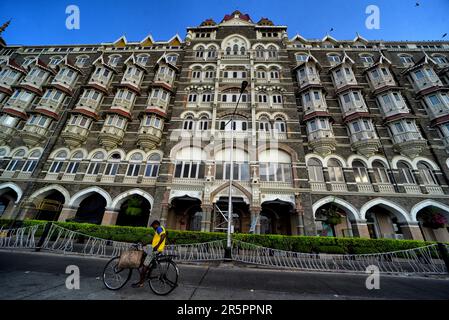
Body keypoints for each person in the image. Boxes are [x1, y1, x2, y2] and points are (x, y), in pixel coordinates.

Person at [132, 220, 167, 288]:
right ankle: (152, 264)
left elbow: (163, 236)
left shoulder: (159, 228)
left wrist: (157, 246)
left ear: (156, 225)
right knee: (145, 251)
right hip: (156, 249)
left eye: (153, 226)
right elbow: (154, 240)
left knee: (145, 266)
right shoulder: (159, 229)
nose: (153, 228)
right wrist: (146, 243)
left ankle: (140, 283)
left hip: (155, 250)